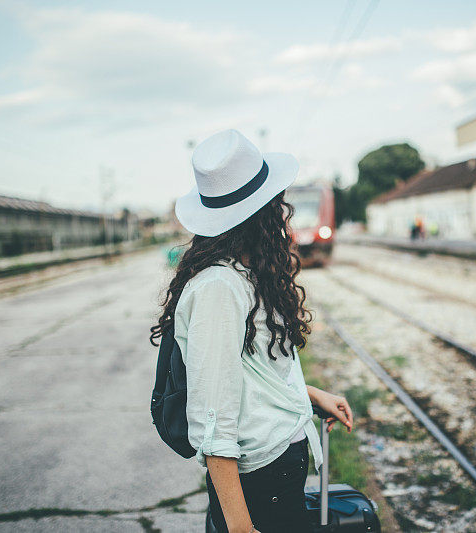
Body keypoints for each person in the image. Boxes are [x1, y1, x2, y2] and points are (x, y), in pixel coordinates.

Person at [150, 129, 353, 533]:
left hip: (275, 473)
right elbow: (213, 420)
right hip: (260, 486)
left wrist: (310, 396)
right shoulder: (218, 288)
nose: (282, 213)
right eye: (275, 204)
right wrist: (241, 528)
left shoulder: (244, 273)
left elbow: (249, 373)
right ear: (259, 214)